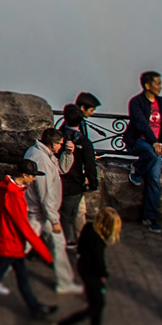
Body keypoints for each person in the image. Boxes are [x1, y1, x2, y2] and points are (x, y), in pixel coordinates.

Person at [0, 160, 57, 325]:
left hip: (10, 243)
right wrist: (46, 255)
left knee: (22, 277)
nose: (34, 179)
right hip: (9, 245)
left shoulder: (8, 189)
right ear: (24, 175)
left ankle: (35, 307)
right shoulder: (14, 195)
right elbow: (24, 227)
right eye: (32, 176)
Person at [124, 71, 162, 234]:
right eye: (157, 83)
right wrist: (155, 142)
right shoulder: (136, 102)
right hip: (139, 141)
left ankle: (150, 218)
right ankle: (136, 169)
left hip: (156, 145)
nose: (160, 87)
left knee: (154, 179)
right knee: (152, 153)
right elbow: (141, 124)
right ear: (147, 85)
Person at [53, 206, 120, 325]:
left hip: (83, 268)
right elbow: (99, 263)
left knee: (97, 305)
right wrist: (104, 275)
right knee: (96, 306)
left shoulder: (88, 227)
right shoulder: (99, 241)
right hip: (92, 275)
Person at [24, 129, 80, 294]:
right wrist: (54, 220)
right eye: (61, 145)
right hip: (41, 213)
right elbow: (46, 194)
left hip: (38, 212)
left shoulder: (39, 153)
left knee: (24, 246)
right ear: (53, 144)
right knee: (55, 244)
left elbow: (61, 169)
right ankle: (64, 283)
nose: (62, 147)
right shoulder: (42, 160)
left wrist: (68, 155)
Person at [60, 94, 101, 239]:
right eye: (91, 110)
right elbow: (90, 165)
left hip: (60, 180)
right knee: (76, 212)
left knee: (63, 212)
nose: (92, 113)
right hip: (76, 182)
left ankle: (65, 239)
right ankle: (75, 240)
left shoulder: (60, 134)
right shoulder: (84, 141)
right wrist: (93, 184)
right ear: (82, 109)